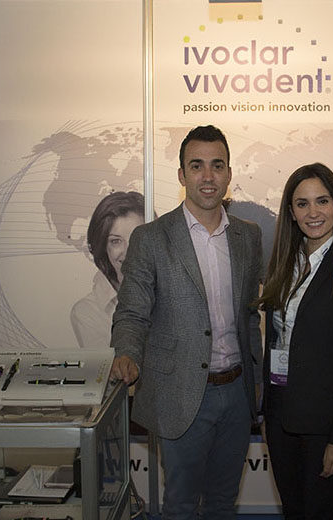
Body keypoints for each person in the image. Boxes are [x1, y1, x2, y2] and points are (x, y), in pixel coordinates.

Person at [109, 125, 263, 520]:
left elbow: (250, 316)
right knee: (180, 506)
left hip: (237, 394)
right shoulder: (151, 238)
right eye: (197, 166)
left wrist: (258, 379)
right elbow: (132, 312)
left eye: (217, 166)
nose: (207, 176)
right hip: (180, 393)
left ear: (229, 173)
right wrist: (127, 353)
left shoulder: (248, 237)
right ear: (181, 175)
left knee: (222, 504)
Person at [257, 162, 333, 519]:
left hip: (325, 426)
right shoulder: (282, 266)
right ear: (291, 213)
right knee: (294, 512)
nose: (313, 212)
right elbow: (277, 342)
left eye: (322, 201)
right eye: (302, 203)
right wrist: (267, 412)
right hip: (281, 417)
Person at [71, 191, 144, 348]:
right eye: (116, 241)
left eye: (137, 238)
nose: (128, 251)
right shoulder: (87, 311)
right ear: (103, 247)